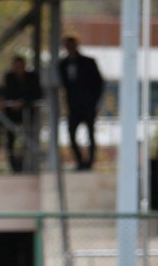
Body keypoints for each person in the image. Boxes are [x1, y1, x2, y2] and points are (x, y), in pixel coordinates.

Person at [59, 36, 103, 171]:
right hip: (73, 106)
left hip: (88, 105)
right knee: (71, 133)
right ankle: (80, 161)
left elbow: (98, 82)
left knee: (90, 133)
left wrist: (93, 101)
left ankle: (90, 162)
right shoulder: (63, 64)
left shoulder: (88, 62)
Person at [2, 55, 41, 173]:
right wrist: (12, 103)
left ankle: (25, 163)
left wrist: (23, 102)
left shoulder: (32, 77)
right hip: (12, 114)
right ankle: (14, 166)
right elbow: (6, 93)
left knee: (29, 138)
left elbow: (37, 93)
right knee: (10, 140)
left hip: (28, 113)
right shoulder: (9, 77)